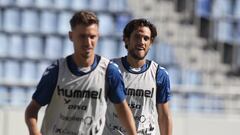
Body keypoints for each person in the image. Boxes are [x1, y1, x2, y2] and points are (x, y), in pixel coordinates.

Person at [25, 10, 137, 135]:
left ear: (98, 36)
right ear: (71, 36)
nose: (88, 43)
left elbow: (122, 109)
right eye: (82, 36)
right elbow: (31, 111)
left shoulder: (109, 71)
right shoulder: (57, 71)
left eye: (92, 36)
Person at [104, 19, 173, 135]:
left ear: (151, 43)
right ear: (126, 39)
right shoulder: (110, 69)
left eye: (146, 38)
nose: (141, 42)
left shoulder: (159, 74)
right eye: (137, 37)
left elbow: (164, 116)